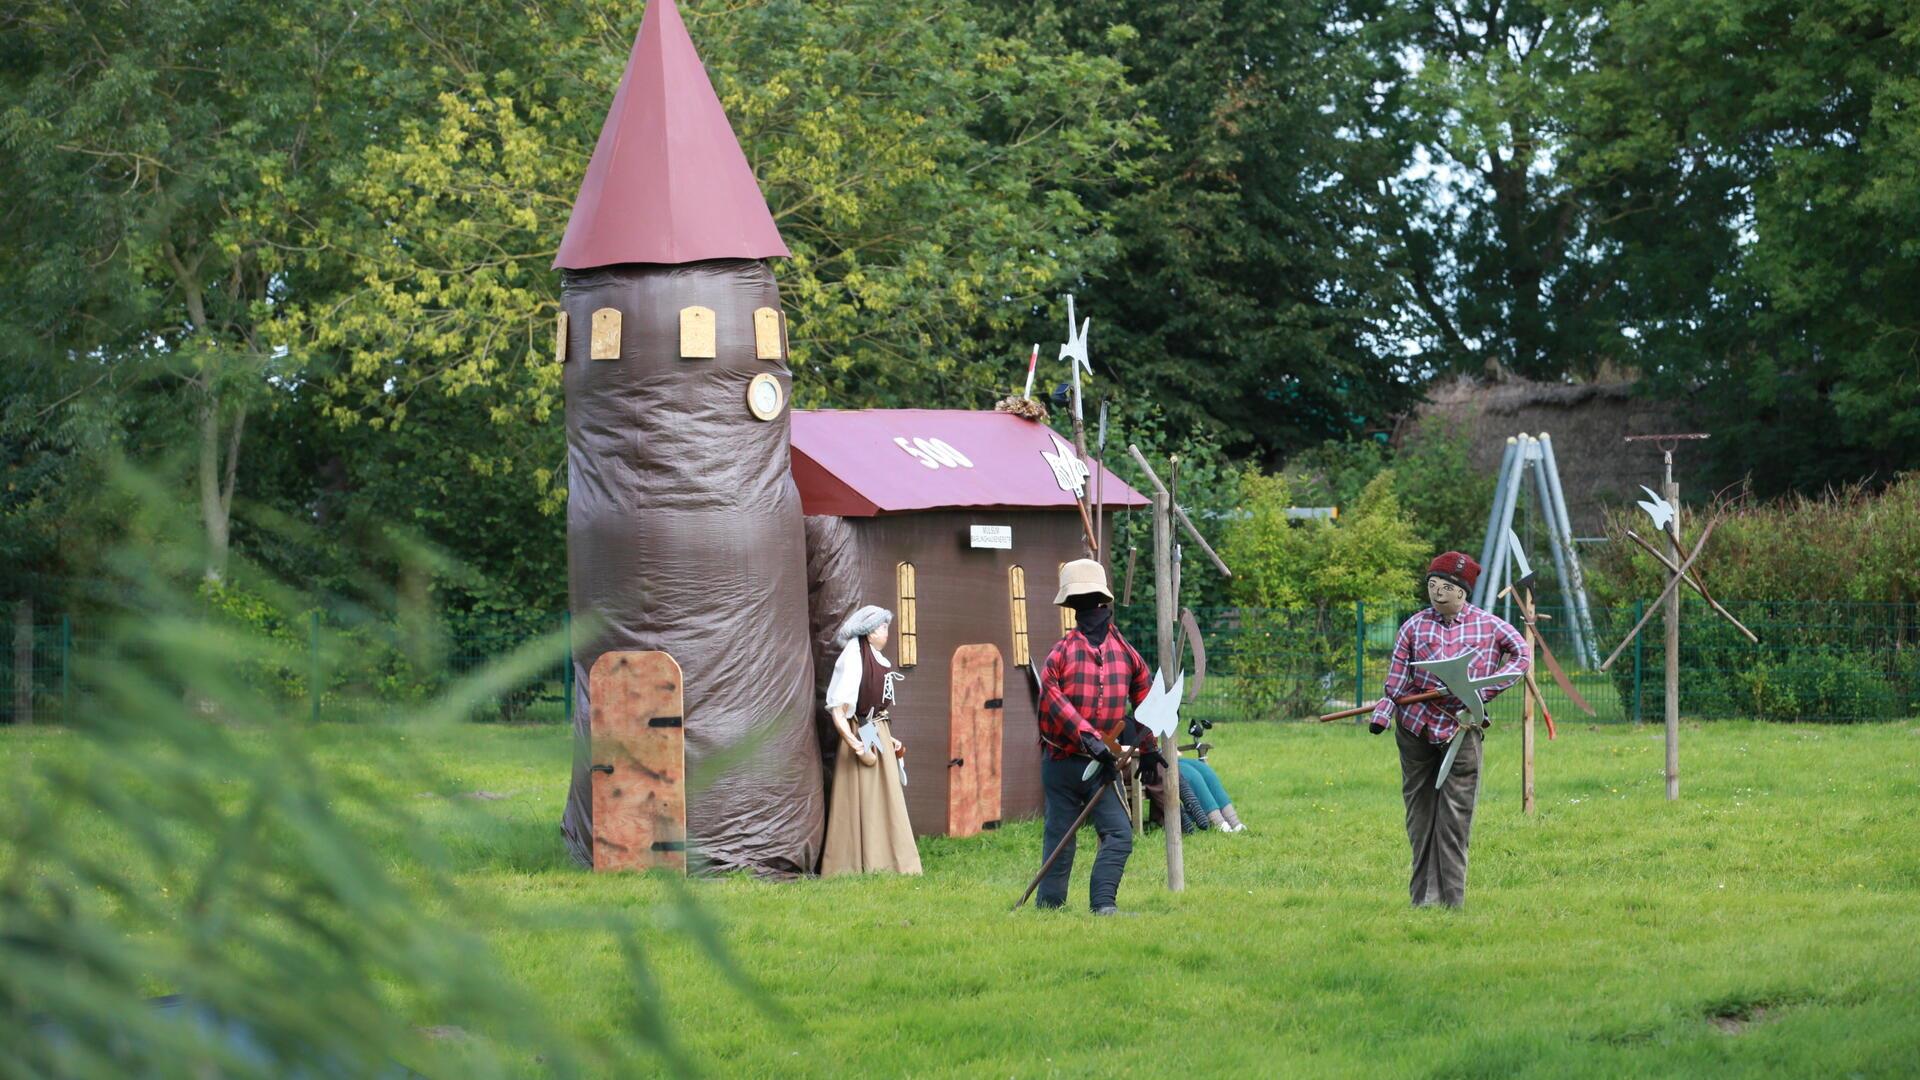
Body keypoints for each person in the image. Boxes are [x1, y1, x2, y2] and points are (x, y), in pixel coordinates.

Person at [1369, 551, 1528, 908]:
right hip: (1416, 729)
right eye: (1432, 585)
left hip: (1462, 728)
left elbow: (1522, 656)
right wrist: (1390, 705)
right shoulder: (1413, 626)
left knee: (1455, 816)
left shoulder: (1491, 626)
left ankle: (1451, 901)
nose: (1438, 592)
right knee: (1420, 814)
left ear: (1463, 591)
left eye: (1446, 587)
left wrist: (1482, 691)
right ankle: (1423, 900)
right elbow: (1395, 683)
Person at [1034, 558, 1156, 914]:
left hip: (1103, 767)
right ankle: (1049, 907)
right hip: (1062, 762)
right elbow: (1052, 700)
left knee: (1118, 834)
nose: (1090, 610)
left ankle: (1104, 906)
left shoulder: (1126, 653)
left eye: (1094, 603)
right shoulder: (1060, 654)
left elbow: (1145, 699)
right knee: (1061, 836)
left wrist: (1147, 750)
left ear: (1105, 605)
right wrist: (1090, 739)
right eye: (1083, 603)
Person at [820, 605, 921, 876]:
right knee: (861, 795)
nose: (886, 633)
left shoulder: (874, 656)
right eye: (881, 627)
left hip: (873, 729)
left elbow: (874, 712)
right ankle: (853, 862)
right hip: (860, 729)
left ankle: (889, 861)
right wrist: (856, 744)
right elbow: (839, 709)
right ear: (867, 632)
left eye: (886, 627)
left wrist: (888, 740)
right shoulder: (853, 657)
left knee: (884, 795)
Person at [1178, 756, 1245, 833]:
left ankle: (1235, 822)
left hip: (1167, 755)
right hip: (1162, 762)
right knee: (1193, 775)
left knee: (1205, 771)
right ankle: (1219, 824)